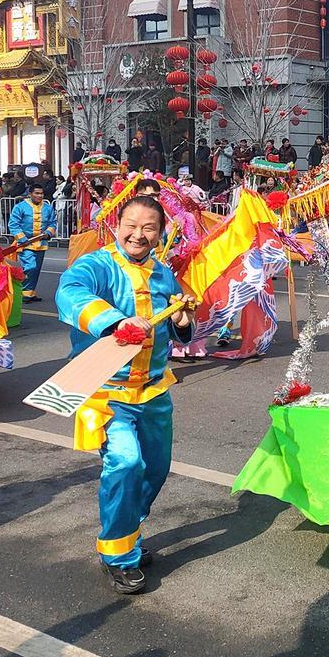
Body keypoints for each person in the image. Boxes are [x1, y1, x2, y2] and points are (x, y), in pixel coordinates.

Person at [55, 195, 194, 594]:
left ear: (160, 232)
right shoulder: (94, 265)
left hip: (153, 393)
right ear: (117, 225)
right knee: (125, 464)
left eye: (149, 227)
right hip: (107, 393)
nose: (139, 234)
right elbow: (71, 293)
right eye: (131, 225)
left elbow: (179, 326)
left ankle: (128, 530)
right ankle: (117, 554)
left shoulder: (165, 274)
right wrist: (116, 321)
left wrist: (184, 320)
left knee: (155, 468)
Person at [8, 182, 57, 302]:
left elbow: (53, 222)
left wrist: (49, 233)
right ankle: (22, 292)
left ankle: (30, 293)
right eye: (37, 193)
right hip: (25, 243)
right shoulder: (20, 207)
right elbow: (13, 224)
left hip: (41, 243)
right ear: (30, 194)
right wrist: (23, 239)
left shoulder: (48, 207)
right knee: (31, 266)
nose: (40, 196)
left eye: (41, 194)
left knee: (36, 270)